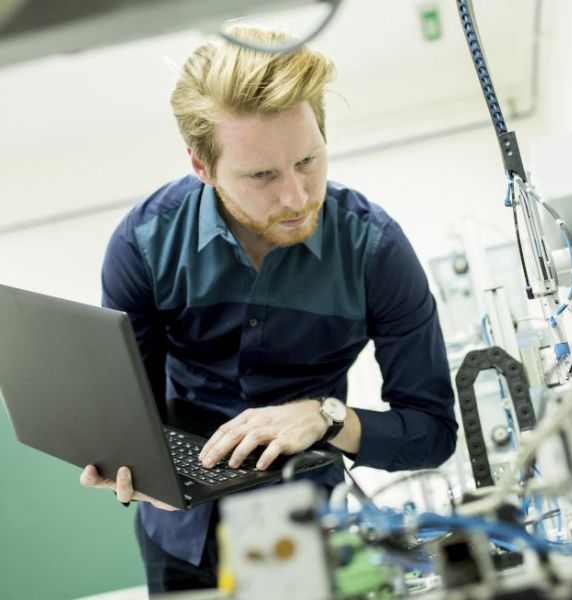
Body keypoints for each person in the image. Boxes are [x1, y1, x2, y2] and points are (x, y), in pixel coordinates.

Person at [77, 25, 458, 593]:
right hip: (179, 537)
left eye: (308, 160)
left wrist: (328, 418)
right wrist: (122, 458)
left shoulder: (375, 252)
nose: (296, 197)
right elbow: (133, 410)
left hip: (312, 535)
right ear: (201, 167)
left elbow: (432, 431)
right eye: (261, 175)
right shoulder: (145, 244)